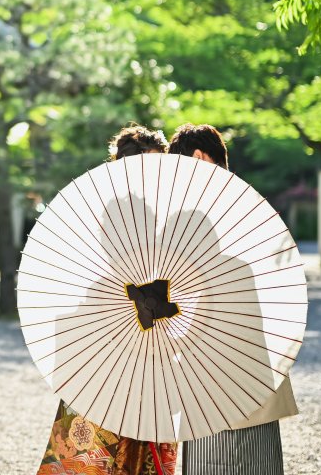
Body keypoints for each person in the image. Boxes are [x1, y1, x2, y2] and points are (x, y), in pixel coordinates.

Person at [35, 123, 177, 475]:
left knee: (136, 445)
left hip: (141, 326)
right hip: (110, 318)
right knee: (96, 443)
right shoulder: (119, 207)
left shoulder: (152, 207)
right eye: (155, 164)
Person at [167, 123, 298, 475]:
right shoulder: (239, 203)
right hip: (240, 359)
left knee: (222, 458)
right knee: (245, 457)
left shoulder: (209, 204)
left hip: (220, 361)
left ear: (198, 157)